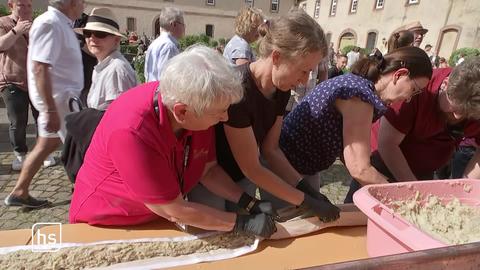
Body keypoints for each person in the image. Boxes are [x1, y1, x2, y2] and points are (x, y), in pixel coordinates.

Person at [69, 46, 276, 238]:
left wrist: (248, 202)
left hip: (153, 217)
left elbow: (208, 171)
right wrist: (241, 223)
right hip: (107, 223)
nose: (224, 118)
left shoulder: (195, 110)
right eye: (219, 112)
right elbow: (174, 209)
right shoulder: (132, 129)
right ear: (181, 111)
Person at [216, 8, 340, 223]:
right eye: (303, 70)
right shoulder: (239, 90)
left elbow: (270, 149)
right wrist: (306, 201)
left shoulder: (281, 90)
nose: (304, 80)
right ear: (276, 57)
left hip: (241, 177)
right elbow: (253, 167)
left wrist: (305, 188)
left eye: (310, 72)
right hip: (213, 175)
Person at [279, 47, 433, 202]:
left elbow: (349, 152)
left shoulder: (361, 88)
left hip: (300, 165)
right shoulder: (359, 97)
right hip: (284, 165)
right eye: (413, 90)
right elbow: (360, 169)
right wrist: (405, 198)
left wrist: (381, 182)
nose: (408, 99)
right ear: (399, 75)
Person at [345, 57, 480, 202]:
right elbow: (388, 144)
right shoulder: (416, 88)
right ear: (445, 85)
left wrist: (465, 190)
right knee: (361, 212)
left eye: (467, 113)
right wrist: (415, 192)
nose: (458, 116)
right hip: (382, 164)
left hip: (423, 172)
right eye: (455, 108)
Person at [4, 0, 85, 208]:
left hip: (59, 99)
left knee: (47, 144)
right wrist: (50, 109)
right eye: (82, 1)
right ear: (71, 3)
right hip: (60, 100)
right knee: (78, 147)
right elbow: (41, 67)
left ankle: (20, 191)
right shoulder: (50, 23)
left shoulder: (60, 23)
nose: (84, 5)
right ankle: (83, 194)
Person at [0, 0, 38, 171]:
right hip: (12, 80)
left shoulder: (36, 24)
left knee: (42, 117)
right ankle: (20, 155)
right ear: (11, 6)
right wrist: (17, 31)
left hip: (37, 80)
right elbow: (2, 45)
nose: (26, 9)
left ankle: (42, 151)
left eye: (29, 5)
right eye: (21, 5)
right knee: (18, 121)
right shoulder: (3, 23)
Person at [74, 7, 136, 110]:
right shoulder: (104, 65)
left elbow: (118, 115)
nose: (92, 38)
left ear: (116, 40)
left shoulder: (116, 69)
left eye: (100, 34)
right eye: (88, 33)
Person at [144, 7, 185, 82]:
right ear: (173, 24)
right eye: (182, 24)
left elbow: (147, 74)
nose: (184, 28)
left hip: (152, 89)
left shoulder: (155, 43)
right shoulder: (169, 46)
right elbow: (166, 79)